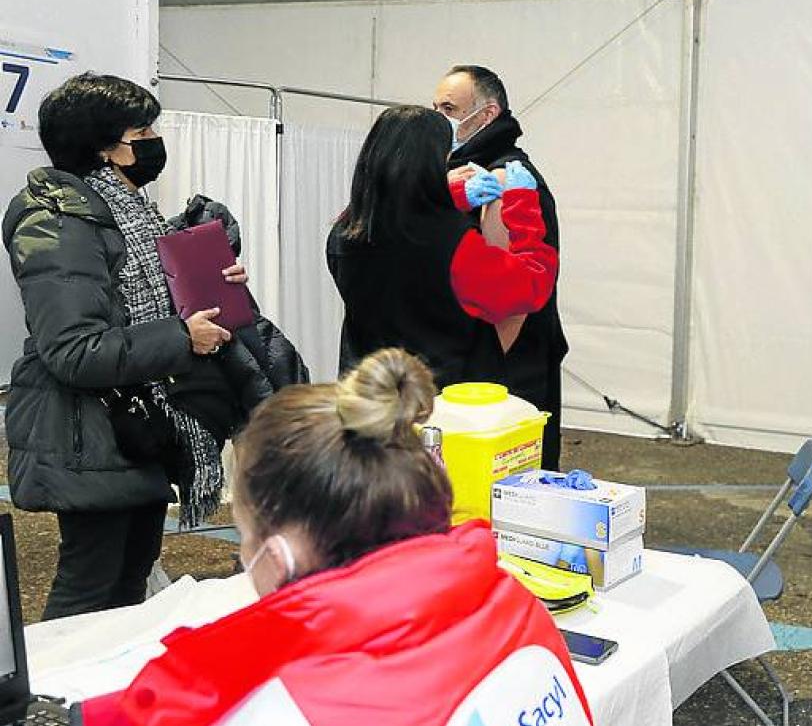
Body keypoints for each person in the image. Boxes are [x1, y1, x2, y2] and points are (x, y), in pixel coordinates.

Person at [78, 349, 593, 726]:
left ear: (277, 557)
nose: (242, 554)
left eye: (246, 532)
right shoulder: (512, 607)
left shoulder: (284, 705)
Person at [2, 73, 250, 620]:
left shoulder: (123, 211)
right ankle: (54, 701)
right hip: (87, 435)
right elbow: (73, 350)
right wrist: (181, 337)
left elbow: (144, 298)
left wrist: (213, 282)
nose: (153, 140)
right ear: (106, 146)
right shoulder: (58, 223)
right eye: (143, 130)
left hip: (138, 425)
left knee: (131, 577)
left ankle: (101, 701)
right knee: (90, 588)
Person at [327, 105, 557, 397]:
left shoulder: (343, 232)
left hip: (369, 390)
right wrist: (523, 207)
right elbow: (531, 284)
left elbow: (398, 230)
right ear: (434, 163)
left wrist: (452, 197)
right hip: (442, 401)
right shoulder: (453, 244)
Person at [435, 65, 569, 468]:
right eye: (435, 106)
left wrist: (491, 363)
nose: (440, 117)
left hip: (501, 366)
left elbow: (512, 295)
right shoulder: (455, 174)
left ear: (488, 114)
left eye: (449, 107)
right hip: (479, 358)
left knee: (506, 479)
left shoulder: (504, 178)